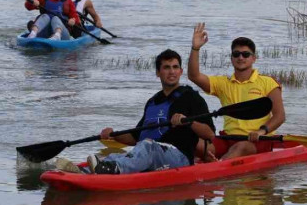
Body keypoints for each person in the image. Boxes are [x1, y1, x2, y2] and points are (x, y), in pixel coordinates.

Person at [58, 49, 216, 174]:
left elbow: (209, 134)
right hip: (150, 153)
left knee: (148, 146)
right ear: (158, 72)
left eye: (175, 67)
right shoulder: (152, 102)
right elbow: (136, 136)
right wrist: (113, 134)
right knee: (117, 154)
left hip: (179, 159)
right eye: (166, 67)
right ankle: (83, 171)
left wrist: (188, 121)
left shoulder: (192, 97)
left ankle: (112, 170)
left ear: (181, 71)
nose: (171, 72)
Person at [187, 22, 285, 160]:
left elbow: (279, 116)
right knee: (192, 142)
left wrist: (261, 131)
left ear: (253, 58)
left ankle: (217, 167)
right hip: (228, 138)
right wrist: (195, 48)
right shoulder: (223, 83)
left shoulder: (268, 82)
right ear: (231, 58)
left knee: (241, 147)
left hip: (257, 141)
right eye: (236, 54)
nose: (240, 57)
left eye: (246, 54)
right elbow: (194, 76)